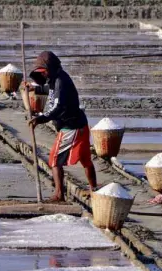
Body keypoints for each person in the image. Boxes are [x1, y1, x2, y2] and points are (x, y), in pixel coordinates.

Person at [27, 51, 97, 202]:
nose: (43, 75)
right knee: (86, 159)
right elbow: (51, 91)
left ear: (50, 69)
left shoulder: (61, 81)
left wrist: (41, 119)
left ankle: (59, 194)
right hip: (80, 125)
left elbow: (58, 106)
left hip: (71, 127)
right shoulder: (55, 79)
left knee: (54, 160)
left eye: (44, 71)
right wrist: (36, 89)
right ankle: (94, 190)